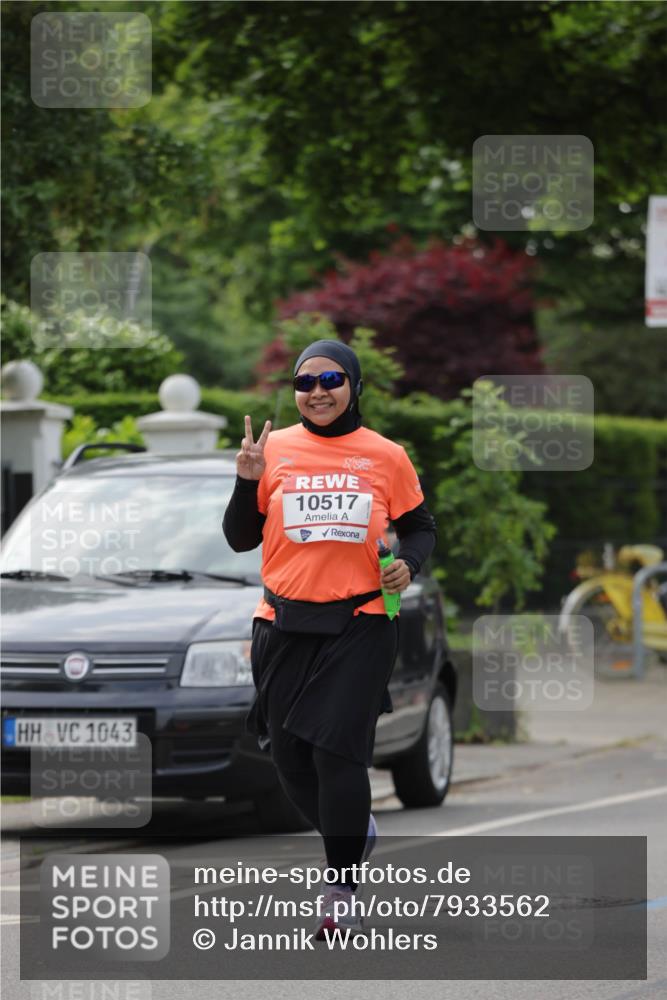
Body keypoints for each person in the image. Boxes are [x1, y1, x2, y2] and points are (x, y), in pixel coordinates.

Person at [223, 338, 437, 938]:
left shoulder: (386, 456)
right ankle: (354, 832)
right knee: (287, 756)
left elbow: (420, 528)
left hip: (363, 621)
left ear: (354, 386)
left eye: (331, 379)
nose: (317, 392)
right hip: (282, 622)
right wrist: (247, 481)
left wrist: (408, 566)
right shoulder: (273, 451)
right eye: (305, 382)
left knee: (335, 753)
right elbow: (241, 539)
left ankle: (341, 889)